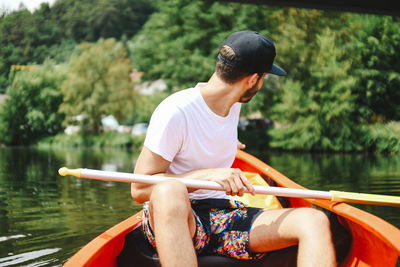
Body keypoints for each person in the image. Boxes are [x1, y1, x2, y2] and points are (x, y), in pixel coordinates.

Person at [131, 30, 335, 267]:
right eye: (263, 78)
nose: (261, 84)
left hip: (223, 215)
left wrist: (226, 144)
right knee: (169, 191)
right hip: (179, 217)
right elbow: (140, 188)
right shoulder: (176, 112)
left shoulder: (233, 104)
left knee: (314, 220)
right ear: (252, 80)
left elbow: (206, 133)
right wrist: (208, 175)